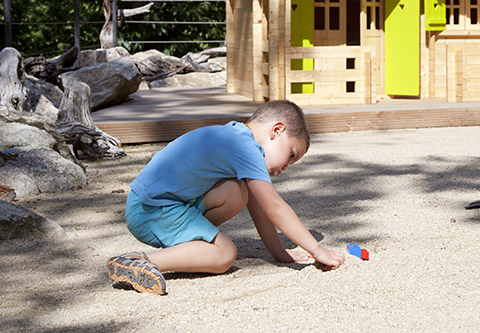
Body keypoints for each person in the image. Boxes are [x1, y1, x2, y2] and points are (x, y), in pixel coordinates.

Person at [106, 100, 345, 295]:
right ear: (277, 130)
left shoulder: (236, 136)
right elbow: (274, 206)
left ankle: (191, 248)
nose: (286, 167)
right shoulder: (245, 148)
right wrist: (316, 250)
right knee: (225, 254)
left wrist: (280, 253)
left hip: (154, 204)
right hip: (152, 210)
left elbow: (259, 206)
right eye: (291, 154)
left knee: (236, 192)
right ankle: (140, 260)